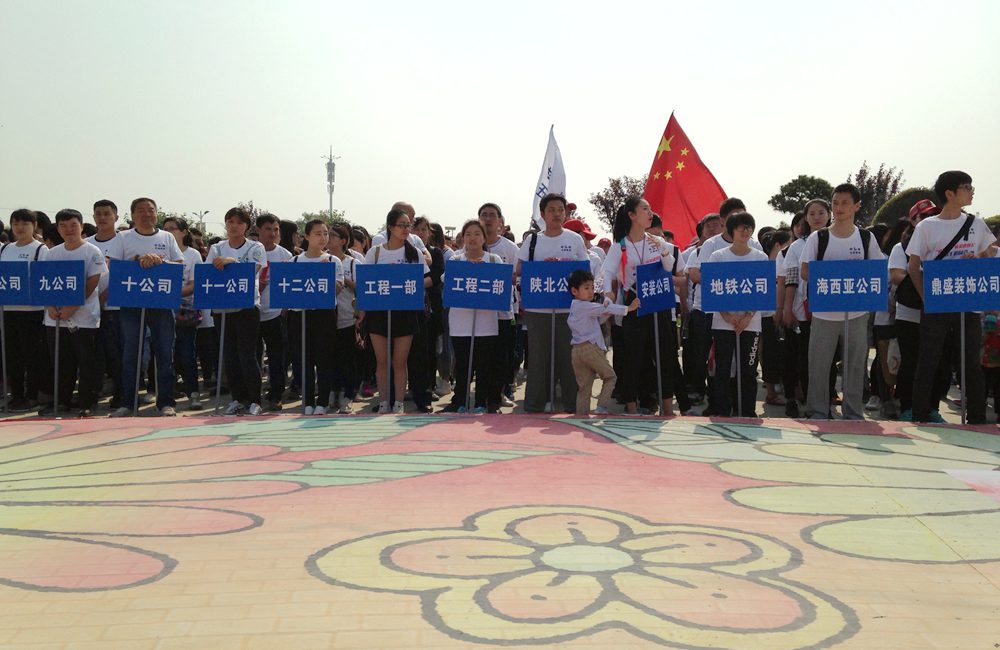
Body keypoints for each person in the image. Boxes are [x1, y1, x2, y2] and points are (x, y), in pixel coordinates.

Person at [907, 171, 996, 424]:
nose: (971, 191)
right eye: (966, 187)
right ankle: (920, 413)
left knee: (970, 361)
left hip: (967, 300)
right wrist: (926, 298)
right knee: (929, 358)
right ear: (949, 193)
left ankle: (977, 416)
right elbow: (914, 266)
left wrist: (976, 258)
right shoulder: (927, 226)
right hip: (937, 300)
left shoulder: (975, 223)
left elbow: (989, 251)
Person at [799, 184, 885, 420]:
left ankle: (853, 412)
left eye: (845, 203)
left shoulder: (866, 238)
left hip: (856, 313)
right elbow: (805, 271)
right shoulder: (820, 237)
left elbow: (877, 271)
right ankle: (817, 412)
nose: (839, 208)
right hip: (824, 313)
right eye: (835, 203)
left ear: (857, 206)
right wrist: (833, 273)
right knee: (818, 365)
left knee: (856, 366)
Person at [600, 196, 686, 416]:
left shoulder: (656, 241)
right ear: (631, 215)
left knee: (665, 354)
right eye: (644, 209)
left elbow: (669, 267)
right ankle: (631, 405)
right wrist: (608, 292)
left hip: (660, 300)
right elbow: (606, 271)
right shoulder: (620, 245)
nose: (649, 213)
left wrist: (663, 250)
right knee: (633, 356)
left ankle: (667, 407)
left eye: (650, 209)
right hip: (635, 302)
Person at [516, 193, 591, 413]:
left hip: (567, 307)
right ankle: (535, 403)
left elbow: (584, 272)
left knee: (568, 356)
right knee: (539, 356)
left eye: (561, 209)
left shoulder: (574, 239)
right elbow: (520, 269)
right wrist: (543, 266)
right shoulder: (533, 240)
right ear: (542, 214)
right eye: (551, 210)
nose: (557, 214)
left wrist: (563, 265)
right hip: (538, 307)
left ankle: (571, 402)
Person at [112, 197, 184, 417]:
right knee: (131, 355)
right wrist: (138, 259)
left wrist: (159, 262)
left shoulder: (167, 237)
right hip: (132, 304)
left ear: (156, 214)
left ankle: (165, 402)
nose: (146, 214)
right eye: (141, 211)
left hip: (162, 303)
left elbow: (179, 264)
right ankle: (128, 402)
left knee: (164, 354)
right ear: (132, 215)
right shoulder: (122, 237)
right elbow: (112, 264)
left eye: (150, 210)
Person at [362, 209, 431, 414]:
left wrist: (405, 283)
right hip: (378, 312)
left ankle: (399, 402)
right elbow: (366, 282)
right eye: (401, 225)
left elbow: (425, 280)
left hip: (405, 312)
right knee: (382, 361)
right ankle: (384, 401)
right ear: (390, 227)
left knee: (400, 362)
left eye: (408, 225)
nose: (406, 229)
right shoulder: (374, 252)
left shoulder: (414, 253)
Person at [43, 209, 107, 416]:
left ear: (81, 226)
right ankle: (62, 400)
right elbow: (44, 283)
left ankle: (87, 402)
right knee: (61, 361)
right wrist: (51, 307)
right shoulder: (52, 253)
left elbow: (93, 281)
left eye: (73, 225)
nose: (68, 230)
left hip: (84, 317)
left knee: (86, 361)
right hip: (55, 318)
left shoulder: (92, 251)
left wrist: (73, 306)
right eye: (63, 225)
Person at [206, 207, 268, 416]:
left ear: (246, 226)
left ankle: (255, 400)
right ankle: (237, 399)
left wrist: (232, 262)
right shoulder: (217, 247)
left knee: (246, 354)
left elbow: (254, 270)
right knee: (229, 355)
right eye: (230, 222)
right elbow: (210, 271)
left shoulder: (255, 246)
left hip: (247, 307)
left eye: (239, 222)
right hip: (222, 307)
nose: (234, 226)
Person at [707, 212, 769, 417]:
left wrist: (748, 316)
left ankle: (747, 410)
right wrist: (727, 315)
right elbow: (712, 288)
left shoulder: (760, 257)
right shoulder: (719, 256)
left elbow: (762, 290)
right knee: (723, 367)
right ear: (731, 230)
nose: (746, 232)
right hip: (723, 323)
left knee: (748, 368)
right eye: (741, 228)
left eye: (749, 228)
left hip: (750, 324)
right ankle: (722, 409)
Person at [439, 220, 504, 413]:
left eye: (477, 234)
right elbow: (447, 284)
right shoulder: (456, 261)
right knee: (462, 364)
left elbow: (501, 287)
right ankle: (459, 400)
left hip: (486, 323)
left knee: (484, 365)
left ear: (484, 237)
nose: (472, 238)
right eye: (468, 234)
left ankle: (481, 402)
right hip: (461, 322)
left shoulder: (494, 261)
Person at [781, 200, 834, 417]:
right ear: (806, 218)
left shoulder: (838, 239)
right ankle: (803, 401)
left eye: (821, 212)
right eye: (812, 213)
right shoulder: (797, 246)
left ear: (829, 214)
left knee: (830, 359)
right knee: (804, 357)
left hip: (833, 310)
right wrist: (787, 309)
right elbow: (791, 280)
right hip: (804, 310)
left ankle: (826, 402)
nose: (817, 217)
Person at [287, 220, 343, 415]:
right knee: (304, 360)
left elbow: (337, 289)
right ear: (307, 237)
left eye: (326, 233)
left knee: (324, 358)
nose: (323, 238)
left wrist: (325, 272)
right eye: (318, 233)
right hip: (300, 315)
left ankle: (323, 401)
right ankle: (308, 400)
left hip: (324, 315)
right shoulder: (294, 261)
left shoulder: (333, 261)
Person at [568, 269, 638, 415]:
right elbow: (604, 309)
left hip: (576, 351)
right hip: (590, 349)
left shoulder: (576, 307)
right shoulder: (585, 306)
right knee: (610, 377)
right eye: (586, 288)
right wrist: (629, 308)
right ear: (574, 291)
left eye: (592, 287)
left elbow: (599, 317)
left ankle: (581, 416)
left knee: (584, 387)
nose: (591, 291)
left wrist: (607, 311)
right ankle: (601, 408)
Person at [1, 209, 51, 411]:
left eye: (25, 224)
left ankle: (32, 395)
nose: (20, 228)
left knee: (32, 356)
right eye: (15, 224)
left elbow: (44, 279)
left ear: (34, 225)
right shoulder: (5, 249)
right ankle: (17, 395)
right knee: (12, 355)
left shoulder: (40, 250)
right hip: (8, 309)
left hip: (32, 310)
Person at [479, 202, 520, 407]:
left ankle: (500, 392)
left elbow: (516, 277)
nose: (488, 219)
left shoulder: (510, 248)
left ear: (500, 222)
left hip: (504, 311)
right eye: (484, 215)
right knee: (482, 355)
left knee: (502, 355)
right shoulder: (471, 244)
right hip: (478, 312)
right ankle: (481, 395)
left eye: (492, 215)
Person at [87, 199, 126, 410]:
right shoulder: (87, 243)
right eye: (98, 214)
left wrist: (100, 300)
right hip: (88, 311)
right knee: (93, 356)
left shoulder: (124, 241)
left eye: (106, 214)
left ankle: (121, 395)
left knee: (116, 355)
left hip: (115, 309)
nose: (102, 218)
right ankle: (90, 395)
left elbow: (120, 278)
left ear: (115, 217)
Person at [163, 216, 203, 410]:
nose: (169, 231)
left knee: (187, 354)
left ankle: (193, 393)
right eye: (166, 228)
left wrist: (171, 295)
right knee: (165, 356)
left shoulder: (193, 254)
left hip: (186, 312)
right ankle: (166, 396)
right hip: (162, 311)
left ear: (184, 231)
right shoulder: (160, 253)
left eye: (173, 228)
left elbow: (194, 284)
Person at [255, 213, 292, 411]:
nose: (272, 233)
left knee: (278, 357)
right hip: (251, 312)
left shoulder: (285, 255)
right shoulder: (250, 252)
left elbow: (288, 287)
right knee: (253, 355)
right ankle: (252, 396)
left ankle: (276, 394)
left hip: (276, 313)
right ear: (258, 230)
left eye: (276, 229)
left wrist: (284, 309)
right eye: (268, 229)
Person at [328, 223, 359, 413]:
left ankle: (349, 393)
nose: (327, 239)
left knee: (347, 358)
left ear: (343, 241)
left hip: (347, 316)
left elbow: (362, 288)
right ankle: (333, 391)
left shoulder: (353, 263)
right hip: (326, 317)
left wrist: (342, 279)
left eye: (331, 235)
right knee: (330, 358)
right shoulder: (321, 260)